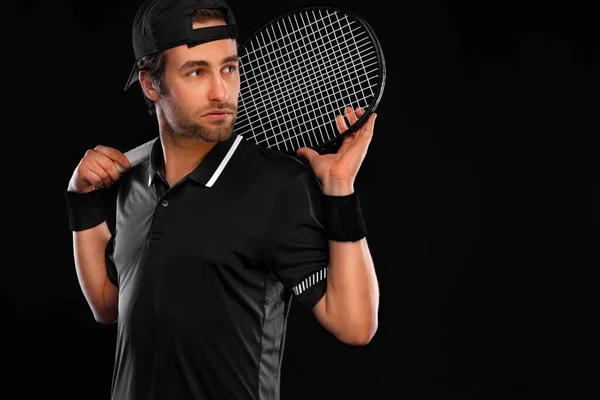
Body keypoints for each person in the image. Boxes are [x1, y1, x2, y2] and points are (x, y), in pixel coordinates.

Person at [64, 0, 379, 399]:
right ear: (149, 84)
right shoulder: (131, 176)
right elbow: (109, 305)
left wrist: (339, 189)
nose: (221, 92)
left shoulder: (278, 187)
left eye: (229, 68)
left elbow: (355, 325)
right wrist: (83, 203)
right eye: (197, 72)